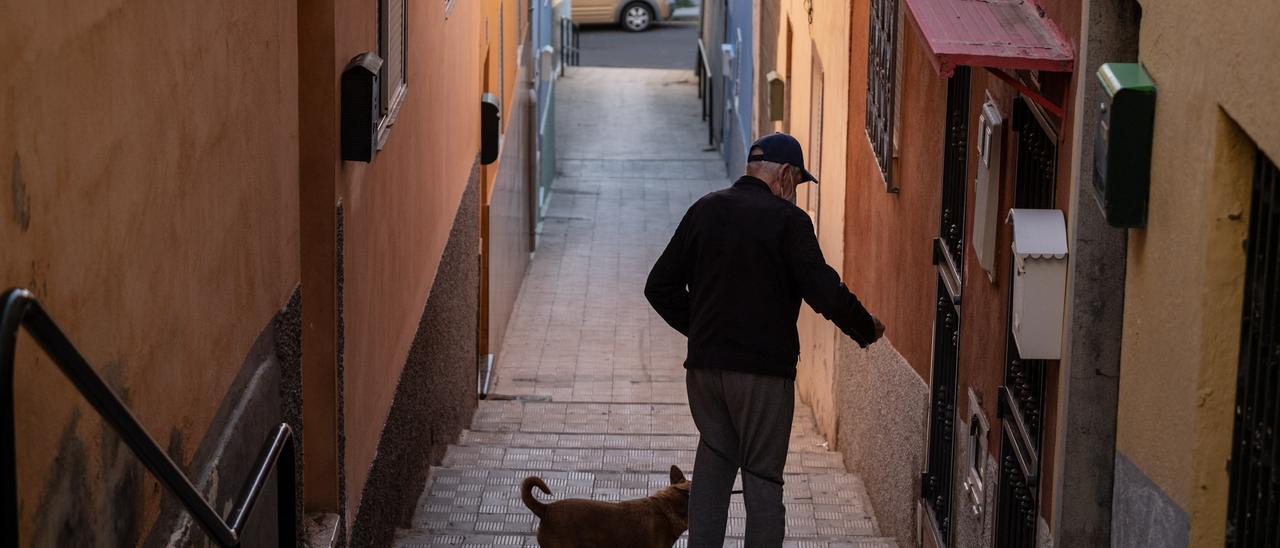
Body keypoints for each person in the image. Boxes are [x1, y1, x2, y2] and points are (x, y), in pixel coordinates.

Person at [644, 132, 884, 547]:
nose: (796, 193)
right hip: (762, 376)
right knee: (762, 478)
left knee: (713, 470)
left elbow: (658, 286)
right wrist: (866, 328)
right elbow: (824, 290)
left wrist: (703, 330)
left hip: (705, 371)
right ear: (786, 175)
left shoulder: (705, 209)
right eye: (797, 183)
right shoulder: (789, 222)